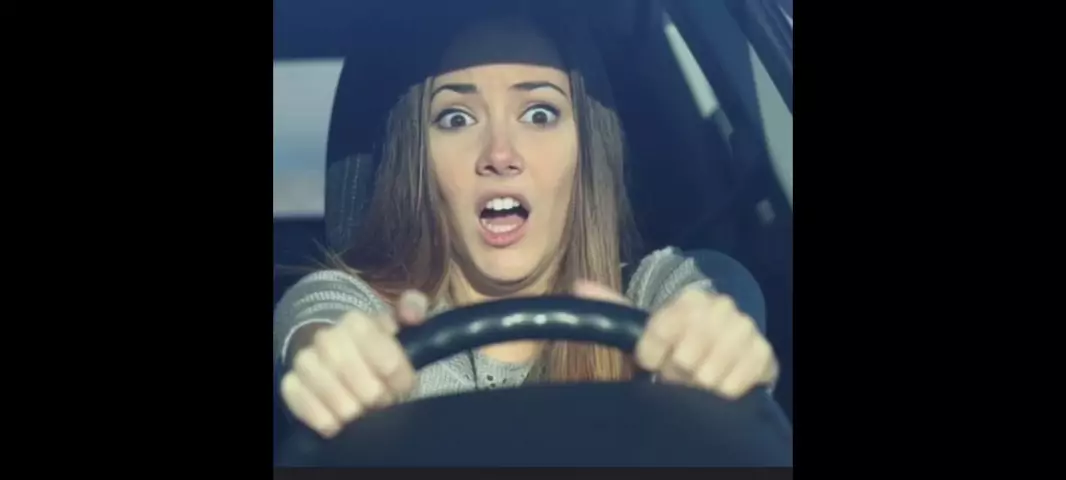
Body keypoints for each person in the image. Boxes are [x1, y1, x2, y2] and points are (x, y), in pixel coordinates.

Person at [274, 15, 779, 438]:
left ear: (586, 153)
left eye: (539, 114)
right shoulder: (369, 316)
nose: (499, 154)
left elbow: (709, 289)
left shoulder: (646, 299)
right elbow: (321, 314)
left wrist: (715, 342)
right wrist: (336, 363)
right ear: (420, 163)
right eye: (456, 118)